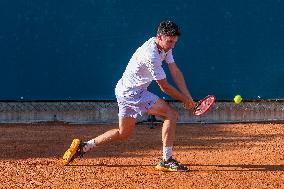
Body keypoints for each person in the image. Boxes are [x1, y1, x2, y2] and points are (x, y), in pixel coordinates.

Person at [63, 20, 195, 172]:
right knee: (171, 114)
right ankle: (166, 159)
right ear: (159, 37)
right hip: (133, 93)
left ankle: (84, 146)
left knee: (123, 133)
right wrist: (185, 100)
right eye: (170, 41)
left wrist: (187, 96)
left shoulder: (165, 47)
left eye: (175, 42)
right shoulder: (150, 54)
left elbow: (175, 71)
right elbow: (164, 86)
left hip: (123, 89)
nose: (172, 45)